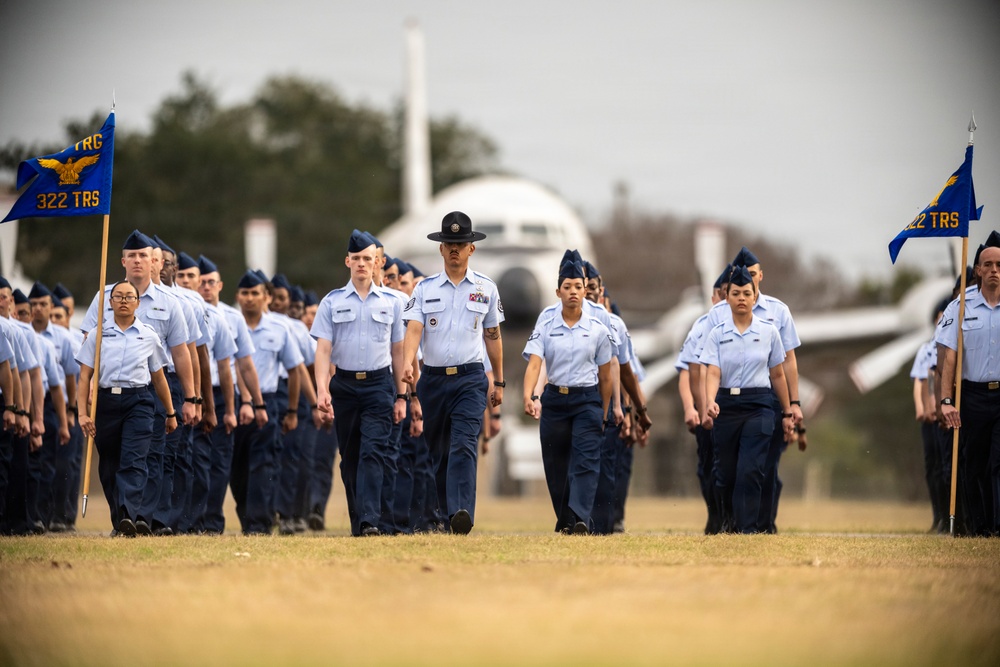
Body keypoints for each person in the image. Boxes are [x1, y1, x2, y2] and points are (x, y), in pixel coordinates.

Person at [401, 211, 504, 535]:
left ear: (471, 248)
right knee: (437, 451)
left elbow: (493, 336)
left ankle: (461, 511)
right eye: (449, 244)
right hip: (432, 379)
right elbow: (414, 329)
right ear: (441, 249)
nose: (455, 249)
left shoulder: (486, 288)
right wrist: (408, 362)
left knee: (463, 444)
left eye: (461, 243)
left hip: (470, 379)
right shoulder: (424, 289)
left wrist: (498, 380)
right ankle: (443, 515)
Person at [312, 230, 407, 536]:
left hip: (379, 385)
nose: (362, 264)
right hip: (345, 387)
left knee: (373, 452)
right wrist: (322, 391)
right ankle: (360, 521)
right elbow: (323, 350)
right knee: (350, 456)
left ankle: (370, 520)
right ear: (347, 261)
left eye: (368, 259)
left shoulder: (394, 302)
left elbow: (398, 351)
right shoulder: (332, 301)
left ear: (377, 262)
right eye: (357, 259)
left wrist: (403, 395)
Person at [75, 280, 178, 537]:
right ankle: (120, 519)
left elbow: (159, 378)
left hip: (139, 402)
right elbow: (84, 377)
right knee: (110, 465)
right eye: (118, 296)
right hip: (106, 401)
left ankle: (128, 516)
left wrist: (170, 412)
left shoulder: (149, 336)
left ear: (137, 303)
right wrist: (82, 413)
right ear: (109, 303)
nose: (123, 300)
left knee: (134, 461)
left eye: (129, 297)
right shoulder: (97, 335)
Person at [523, 258, 616, 533]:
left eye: (578, 286)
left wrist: (605, 409)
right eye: (567, 286)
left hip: (587, 401)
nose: (573, 291)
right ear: (558, 292)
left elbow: (606, 375)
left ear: (586, 290)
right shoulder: (546, 324)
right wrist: (529, 395)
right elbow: (535, 363)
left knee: (586, 461)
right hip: (555, 400)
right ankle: (565, 520)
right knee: (556, 465)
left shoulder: (598, 329)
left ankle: (579, 518)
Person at [699, 266, 794, 533]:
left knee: (751, 469)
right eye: (736, 293)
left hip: (759, 406)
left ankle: (747, 528)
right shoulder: (717, 333)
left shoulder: (769, 332)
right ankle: (728, 520)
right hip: (726, 406)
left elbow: (777, 374)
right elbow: (713, 371)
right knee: (726, 473)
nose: (741, 298)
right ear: (726, 297)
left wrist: (787, 412)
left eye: (747, 293)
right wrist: (709, 401)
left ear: (755, 298)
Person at [230, 270, 303, 535]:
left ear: (266, 297)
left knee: (263, 465)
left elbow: (295, 369)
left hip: (269, 403)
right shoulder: (229, 323)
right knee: (237, 471)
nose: (250, 299)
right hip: (235, 403)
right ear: (238, 296)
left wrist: (293, 411)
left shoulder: (280, 327)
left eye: (255, 293)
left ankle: (259, 525)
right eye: (245, 293)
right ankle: (248, 516)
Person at [938, 233, 1000, 536]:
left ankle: (998, 525)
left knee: (998, 463)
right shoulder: (960, 306)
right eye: (987, 264)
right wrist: (946, 400)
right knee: (973, 465)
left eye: (999, 265)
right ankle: (979, 528)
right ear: (977, 270)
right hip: (972, 395)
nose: (994, 270)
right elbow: (948, 356)